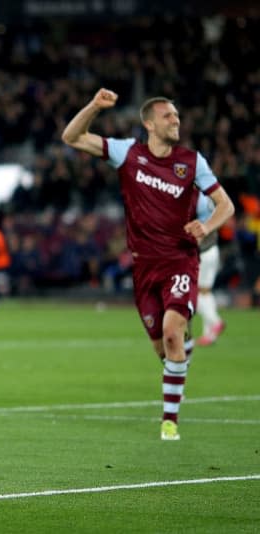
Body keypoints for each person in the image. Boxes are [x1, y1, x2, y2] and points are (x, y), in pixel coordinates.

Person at [62, 88, 234, 441]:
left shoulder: (192, 161)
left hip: (180, 261)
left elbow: (225, 206)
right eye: (168, 116)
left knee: (172, 332)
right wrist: (94, 106)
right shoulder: (128, 153)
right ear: (149, 123)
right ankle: (181, 356)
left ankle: (169, 421)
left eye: (177, 116)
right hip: (144, 269)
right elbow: (71, 137)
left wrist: (207, 225)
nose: (176, 121)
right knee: (163, 346)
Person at [194, 191, 226, 346]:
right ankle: (209, 335)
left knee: (196, 292)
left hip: (202, 252)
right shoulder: (210, 195)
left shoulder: (195, 199)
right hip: (213, 249)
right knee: (205, 291)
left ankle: (216, 321)